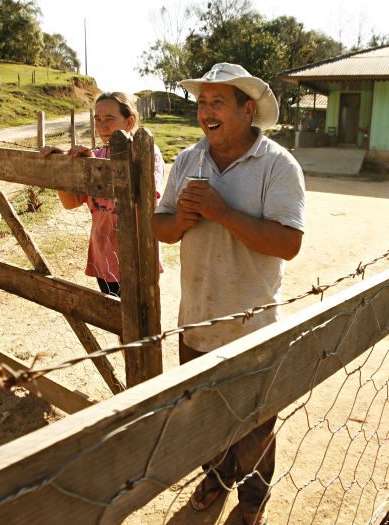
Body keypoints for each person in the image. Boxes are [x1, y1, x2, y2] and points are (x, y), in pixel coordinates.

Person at [152, 63, 305, 525]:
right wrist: (181, 220)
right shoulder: (186, 161)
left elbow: (289, 243)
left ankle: (253, 499)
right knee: (204, 420)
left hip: (252, 327)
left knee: (257, 425)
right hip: (196, 321)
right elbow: (160, 226)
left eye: (217, 101)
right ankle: (216, 478)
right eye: (201, 102)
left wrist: (221, 212)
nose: (205, 111)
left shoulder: (278, 165)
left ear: (247, 109)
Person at [46, 92, 165, 297]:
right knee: (114, 322)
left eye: (110, 119)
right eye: (98, 119)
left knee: (140, 325)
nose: (102, 126)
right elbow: (71, 202)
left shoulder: (146, 154)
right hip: (103, 257)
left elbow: (142, 198)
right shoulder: (98, 155)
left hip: (137, 259)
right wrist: (60, 168)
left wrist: (95, 169)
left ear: (130, 121)